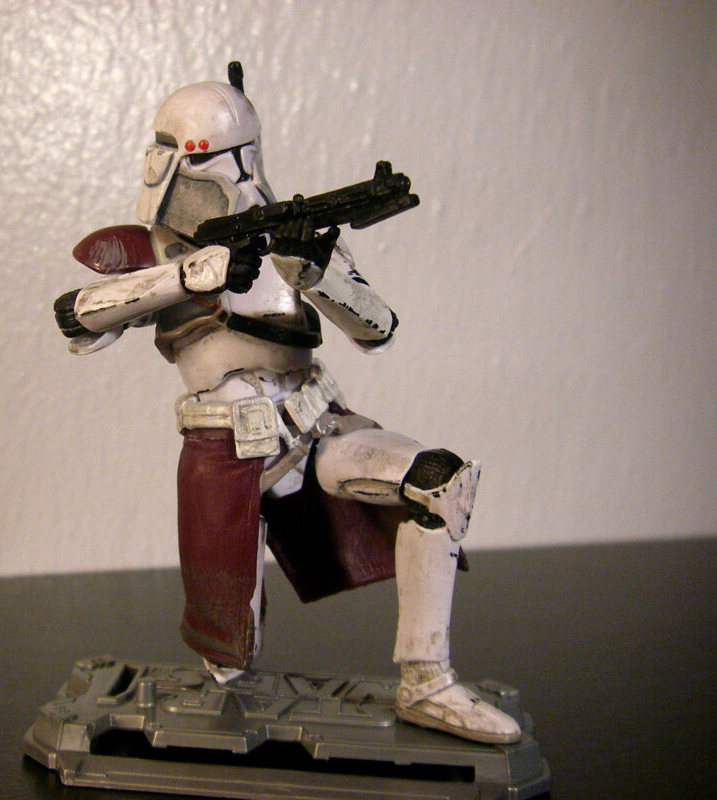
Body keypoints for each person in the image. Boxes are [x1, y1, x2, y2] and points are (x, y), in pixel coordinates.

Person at [53, 68, 520, 745]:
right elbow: (76, 316)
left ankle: (427, 681)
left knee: (438, 481)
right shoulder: (145, 249)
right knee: (226, 654)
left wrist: (318, 276)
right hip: (227, 448)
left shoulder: (291, 239)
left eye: (235, 157)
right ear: (164, 161)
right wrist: (186, 276)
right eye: (206, 160)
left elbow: (379, 330)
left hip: (314, 428)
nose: (228, 176)